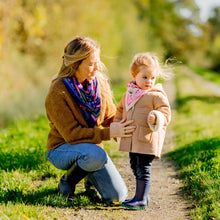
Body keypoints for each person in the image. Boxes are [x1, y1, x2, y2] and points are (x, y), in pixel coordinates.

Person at [45, 36, 136, 203]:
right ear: (75, 64)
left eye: (97, 62)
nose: (96, 68)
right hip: (62, 148)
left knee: (117, 196)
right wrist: (108, 133)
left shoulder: (99, 83)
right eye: (91, 64)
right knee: (96, 155)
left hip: (92, 150)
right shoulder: (58, 92)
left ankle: (89, 178)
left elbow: (109, 116)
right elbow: (72, 135)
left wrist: (121, 124)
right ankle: (68, 181)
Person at [114, 52, 171, 210]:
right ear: (134, 75)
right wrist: (116, 124)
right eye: (145, 77)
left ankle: (141, 199)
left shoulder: (155, 95)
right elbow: (119, 111)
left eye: (152, 78)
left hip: (146, 139)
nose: (149, 81)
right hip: (132, 139)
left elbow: (166, 113)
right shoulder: (129, 94)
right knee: (134, 165)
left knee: (143, 168)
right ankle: (141, 195)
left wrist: (156, 116)